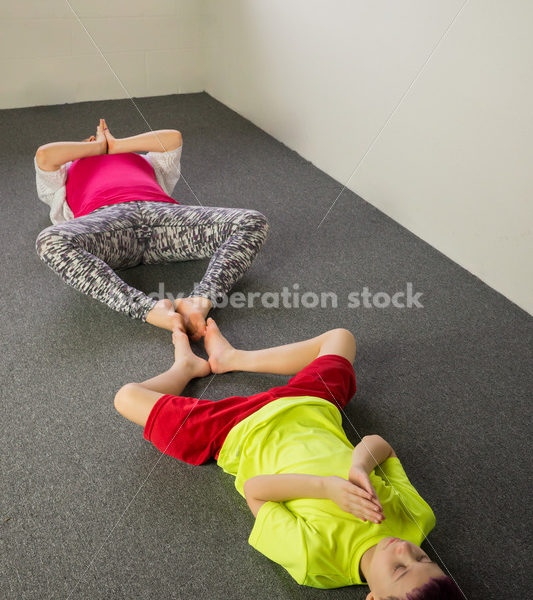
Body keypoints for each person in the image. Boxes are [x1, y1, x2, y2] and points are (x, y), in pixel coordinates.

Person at [114, 319, 463, 598]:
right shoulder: (417, 520)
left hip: (233, 432)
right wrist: (360, 465)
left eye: (399, 569)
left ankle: (186, 366)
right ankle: (233, 358)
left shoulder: (314, 561)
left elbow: (255, 490)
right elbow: (378, 444)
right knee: (341, 338)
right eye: (422, 557)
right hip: (310, 404)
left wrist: (326, 488)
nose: (404, 550)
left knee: (126, 397)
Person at [34, 119, 269, 338]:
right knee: (49, 240)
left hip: (163, 218)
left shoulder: (148, 161)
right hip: (109, 225)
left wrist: (116, 145)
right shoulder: (66, 171)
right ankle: (147, 308)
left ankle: (200, 301)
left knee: (252, 221)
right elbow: (45, 155)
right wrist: (95, 148)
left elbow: (172, 138)